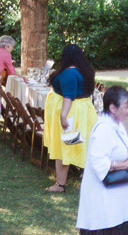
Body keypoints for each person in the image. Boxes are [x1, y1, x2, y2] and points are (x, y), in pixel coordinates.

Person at [44, 44, 97, 193]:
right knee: (81, 144)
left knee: (65, 146)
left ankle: (60, 184)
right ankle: (87, 178)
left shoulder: (69, 74)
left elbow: (69, 96)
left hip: (72, 112)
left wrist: (63, 116)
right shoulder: (85, 71)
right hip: (84, 110)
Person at [77, 86, 128, 233]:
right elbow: (99, 163)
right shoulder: (103, 129)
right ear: (113, 107)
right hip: (103, 204)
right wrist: (123, 165)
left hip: (117, 202)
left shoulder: (117, 125)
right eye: (125, 106)